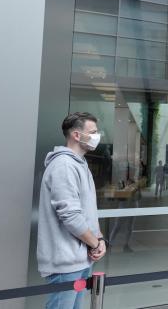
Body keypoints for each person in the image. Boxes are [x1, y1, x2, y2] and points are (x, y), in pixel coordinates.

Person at [37, 112, 107, 309]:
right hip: (65, 263)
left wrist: (99, 239)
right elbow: (70, 215)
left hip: (80, 260)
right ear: (76, 135)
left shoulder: (80, 164)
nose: (97, 136)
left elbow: (88, 212)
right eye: (93, 132)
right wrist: (94, 243)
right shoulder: (64, 165)